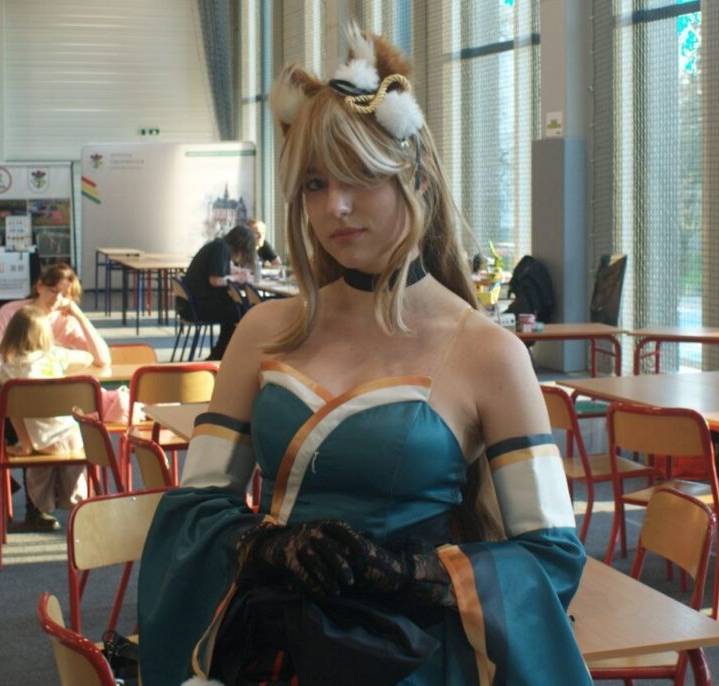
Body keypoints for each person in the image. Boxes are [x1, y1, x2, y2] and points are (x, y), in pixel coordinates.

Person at [139, 25, 589, 685]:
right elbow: (194, 510)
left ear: (416, 178)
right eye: (315, 183)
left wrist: (415, 573)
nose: (336, 207)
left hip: (415, 662)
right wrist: (270, 546)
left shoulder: (489, 352)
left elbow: (550, 555)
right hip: (269, 653)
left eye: (360, 176)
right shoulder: (263, 331)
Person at [0, 305, 93, 530]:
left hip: (44, 443)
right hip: (76, 439)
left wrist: (25, 445)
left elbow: (14, 414)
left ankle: (42, 504)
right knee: (74, 469)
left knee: (38, 467)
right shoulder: (57, 356)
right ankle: (79, 505)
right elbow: (87, 358)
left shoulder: (10, 370)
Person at [182, 225, 257, 360]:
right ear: (241, 246)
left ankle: (222, 354)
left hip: (191, 303)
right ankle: (222, 355)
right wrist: (238, 278)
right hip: (199, 306)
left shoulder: (219, 245)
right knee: (239, 311)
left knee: (236, 308)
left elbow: (225, 268)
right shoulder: (221, 249)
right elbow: (215, 280)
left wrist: (240, 272)